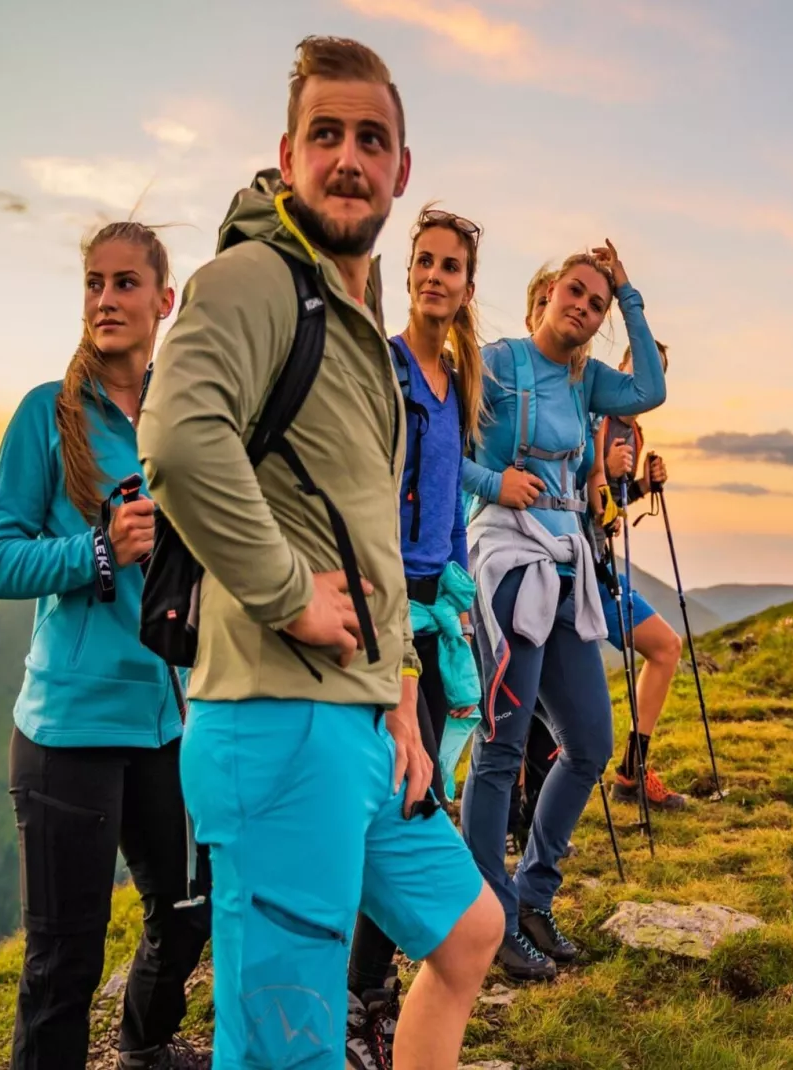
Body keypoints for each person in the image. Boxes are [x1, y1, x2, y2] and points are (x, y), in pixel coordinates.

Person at [137, 37, 502, 1070]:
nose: (349, 157)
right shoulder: (254, 278)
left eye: (371, 139)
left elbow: (364, 530)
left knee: (468, 931)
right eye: (327, 135)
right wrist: (290, 593)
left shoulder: (350, 319)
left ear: (402, 169)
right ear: (287, 155)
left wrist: (396, 689)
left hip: (357, 720)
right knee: (284, 1051)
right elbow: (175, 437)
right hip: (276, 722)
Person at [0, 221, 210, 1070]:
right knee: (63, 966)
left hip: (168, 723)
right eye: (94, 284)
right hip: (67, 731)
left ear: (164, 301)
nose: (106, 300)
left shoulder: (181, 420)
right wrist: (99, 549)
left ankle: (145, 1047)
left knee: (187, 914)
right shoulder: (48, 413)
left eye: (125, 284)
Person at [461, 245, 666, 982]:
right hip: (509, 565)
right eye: (575, 292)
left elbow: (650, 389)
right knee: (502, 752)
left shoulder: (586, 381)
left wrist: (632, 293)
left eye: (597, 303)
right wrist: (492, 479)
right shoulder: (495, 364)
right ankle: (488, 919)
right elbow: (431, 448)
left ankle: (532, 896)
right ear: (547, 293)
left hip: (566, 568)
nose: (583, 307)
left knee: (589, 743)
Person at [343, 202, 488, 1070]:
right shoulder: (387, 370)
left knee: (418, 790)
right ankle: (366, 1003)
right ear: (407, 276)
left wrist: (464, 588)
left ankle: (384, 989)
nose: (435, 277)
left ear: (469, 288)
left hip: (440, 613)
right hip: (385, 616)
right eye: (423, 263)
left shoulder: (456, 385)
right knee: (399, 796)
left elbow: (450, 506)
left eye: (450, 267)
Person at [587, 342, 687, 810]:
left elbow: (613, 505)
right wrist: (603, 474)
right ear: (622, 368)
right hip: (580, 569)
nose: (648, 377)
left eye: (658, 371)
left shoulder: (633, 432)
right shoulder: (595, 417)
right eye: (642, 365)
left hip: (601, 568)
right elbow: (572, 493)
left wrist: (643, 485)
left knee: (666, 647)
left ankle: (632, 771)